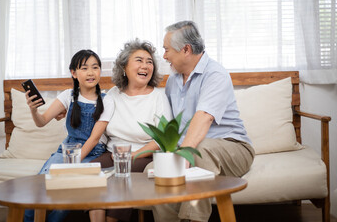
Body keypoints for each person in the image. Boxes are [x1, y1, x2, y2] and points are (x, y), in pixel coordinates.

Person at [152, 21, 255, 222]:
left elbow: (203, 118)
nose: (164, 56)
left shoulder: (215, 74)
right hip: (196, 149)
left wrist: (182, 155)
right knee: (158, 170)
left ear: (186, 50)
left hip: (234, 148)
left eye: (167, 50)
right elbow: (172, 127)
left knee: (200, 150)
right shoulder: (173, 81)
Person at [24, 49, 114, 222]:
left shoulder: (107, 100)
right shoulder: (67, 96)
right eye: (84, 68)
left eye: (95, 67)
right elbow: (41, 121)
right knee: (38, 190)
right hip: (67, 150)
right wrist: (33, 109)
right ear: (74, 73)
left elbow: (94, 138)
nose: (90, 72)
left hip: (92, 153)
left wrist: (71, 164)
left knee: (64, 196)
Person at [89, 38, 173, 222]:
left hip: (143, 156)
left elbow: (162, 140)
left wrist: (131, 156)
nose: (145, 65)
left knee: (121, 177)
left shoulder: (158, 98)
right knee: (90, 174)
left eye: (149, 62)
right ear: (124, 67)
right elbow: (100, 129)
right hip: (112, 152)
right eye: (139, 60)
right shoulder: (112, 94)